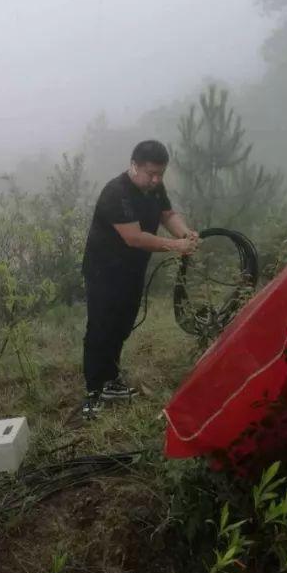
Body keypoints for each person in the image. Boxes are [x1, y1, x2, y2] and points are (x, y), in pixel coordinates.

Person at [81, 140, 197, 418]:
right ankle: (93, 391)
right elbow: (134, 237)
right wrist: (176, 246)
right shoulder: (116, 192)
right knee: (101, 328)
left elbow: (167, 214)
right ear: (134, 166)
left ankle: (111, 380)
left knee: (122, 326)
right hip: (104, 271)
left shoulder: (154, 189)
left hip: (132, 270)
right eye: (151, 174)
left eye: (160, 174)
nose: (156, 180)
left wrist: (184, 233)